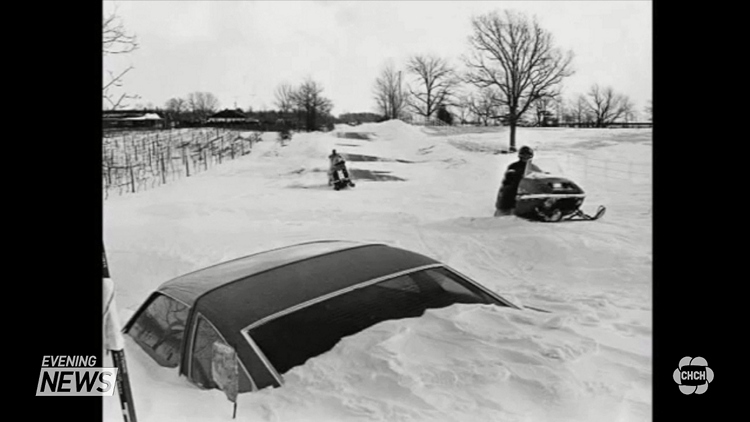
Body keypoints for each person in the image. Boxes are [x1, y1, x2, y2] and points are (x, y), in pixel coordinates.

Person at [494, 146, 543, 216]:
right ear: (520, 155)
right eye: (524, 155)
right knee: (510, 189)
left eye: (528, 155)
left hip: (527, 187)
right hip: (515, 187)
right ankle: (507, 209)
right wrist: (515, 175)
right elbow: (509, 176)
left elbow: (539, 174)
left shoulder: (533, 167)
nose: (526, 157)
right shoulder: (514, 166)